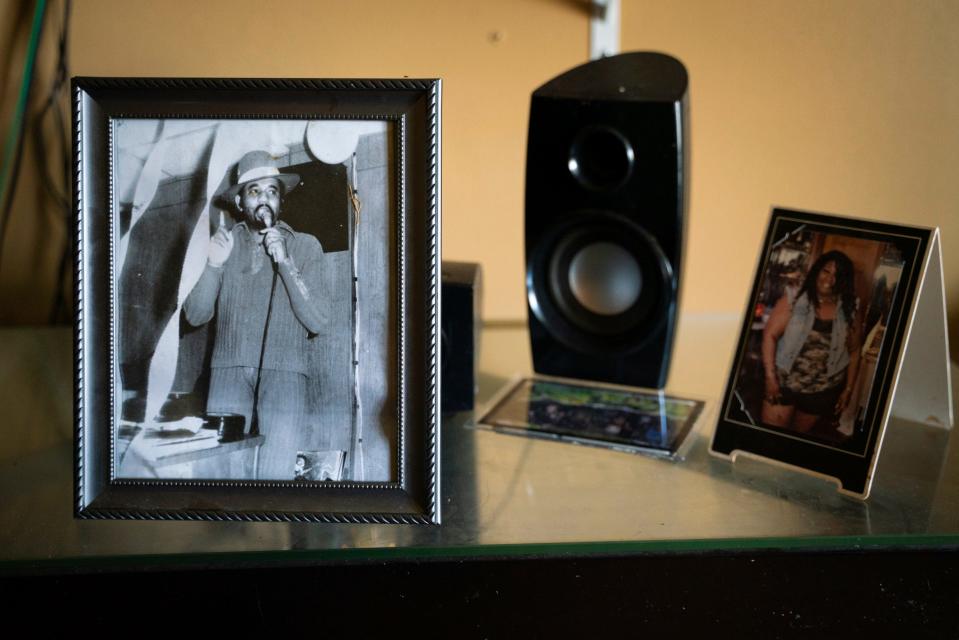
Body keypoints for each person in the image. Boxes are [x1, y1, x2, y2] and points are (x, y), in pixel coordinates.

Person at [184, 150, 328, 479]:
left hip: (286, 372)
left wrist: (287, 263)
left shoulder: (305, 246)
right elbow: (195, 315)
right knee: (220, 471)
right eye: (254, 191)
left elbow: (318, 321)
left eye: (272, 191)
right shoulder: (221, 245)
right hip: (227, 369)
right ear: (239, 203)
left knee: (275, 473)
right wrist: (213, 266)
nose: (264, 199)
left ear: (281, 201)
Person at [760, 250, 862, 436]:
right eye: (826, 271)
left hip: (822, 392)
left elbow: (855, 351)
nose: (830, 279)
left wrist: (848, 390)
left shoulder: (850, 307)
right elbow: (770, 335)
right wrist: (770, 378)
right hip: (783, 384)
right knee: (769, 439)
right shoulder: (794, 297)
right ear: (816, 270)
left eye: (837, 275)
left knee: (794, 442)